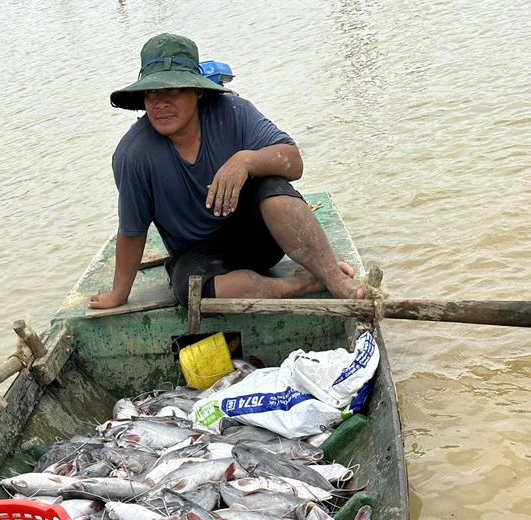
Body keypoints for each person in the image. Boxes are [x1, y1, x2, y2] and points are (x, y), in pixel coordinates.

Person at [90, 33, 365, 311]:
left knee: (272, 188)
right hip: (197, 254)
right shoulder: (132, 155)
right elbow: (133, 230)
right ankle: (300, 285)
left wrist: (245, 161)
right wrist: (119, 293)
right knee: (192, 292)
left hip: (262, 238)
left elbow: (294, 163)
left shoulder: (233, 112)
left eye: (172, 91)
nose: (160, 104)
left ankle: (332, 275)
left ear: (197, 90)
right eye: (151, 93)